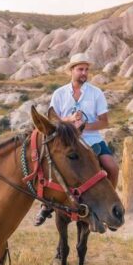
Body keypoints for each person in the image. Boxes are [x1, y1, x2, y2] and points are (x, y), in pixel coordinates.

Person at [34, 52, 119, 226]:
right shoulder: (59, 94)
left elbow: (104, 122)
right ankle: (46, 205)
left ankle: (109, 204)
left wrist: (83, 126)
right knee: (51, 165)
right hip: (66, 139)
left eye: (86, 70)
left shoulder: (96, 93)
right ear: (71, 71)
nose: (84, 73)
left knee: (112, 167)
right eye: (80, 69)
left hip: (92, 139)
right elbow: (53, 119)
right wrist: (70, 121)